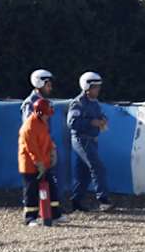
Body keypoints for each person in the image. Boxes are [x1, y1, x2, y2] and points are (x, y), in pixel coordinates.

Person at [67, 71, 113, 212]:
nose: (98, 90)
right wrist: (91, 122)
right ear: (87, 87)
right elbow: (72, 122)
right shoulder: (78, 103)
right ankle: (103, 200)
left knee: (84, 173)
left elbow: (100, 115)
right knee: (97, 167)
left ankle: (75, 201)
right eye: (95, 87)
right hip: (82, 140)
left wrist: (103, 119)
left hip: (91, 140)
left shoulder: (95, 103)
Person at [19, 98, 63, 226]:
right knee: (31, 191)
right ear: (39, 113)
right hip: (30, 165)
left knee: (52, 188)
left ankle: (55, 215)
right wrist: (38, 163)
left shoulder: (42, 123)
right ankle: (30, 218)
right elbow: (31, 147)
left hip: (44, 163)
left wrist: (53, 150)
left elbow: (47, 140)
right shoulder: (29, 127)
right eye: (46, 114)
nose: (48, 117)